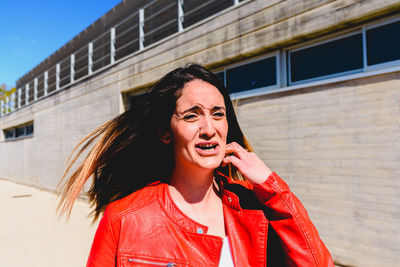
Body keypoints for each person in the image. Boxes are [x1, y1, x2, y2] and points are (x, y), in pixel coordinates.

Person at [58, 64, 334, 266]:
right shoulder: (124, 218)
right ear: (165, 133)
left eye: (218, 114)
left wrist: (272, 187)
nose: (209, 128)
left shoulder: (255, 208)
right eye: (192, 116)